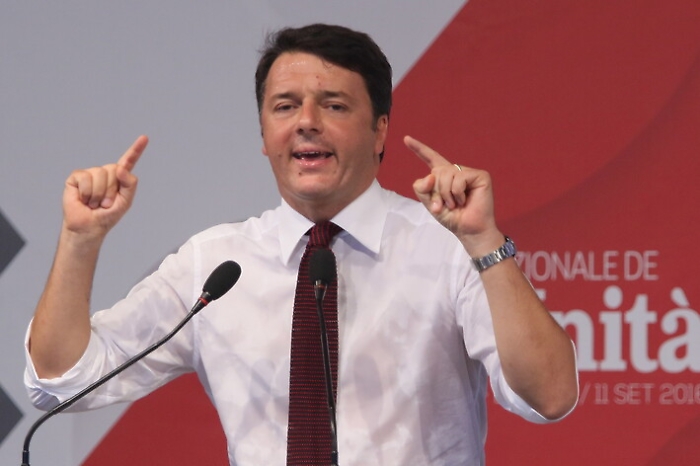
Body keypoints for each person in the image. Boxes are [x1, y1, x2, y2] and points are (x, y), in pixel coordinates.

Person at [25, 23, 578, 465]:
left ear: (380, 130)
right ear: (264, 135)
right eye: (285, 106)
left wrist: (483, 241)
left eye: (334, 105)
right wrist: (79, 241)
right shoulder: (216, 263)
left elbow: (550, 397)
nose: (307, 123)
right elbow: (61, 382)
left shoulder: (448, 248)